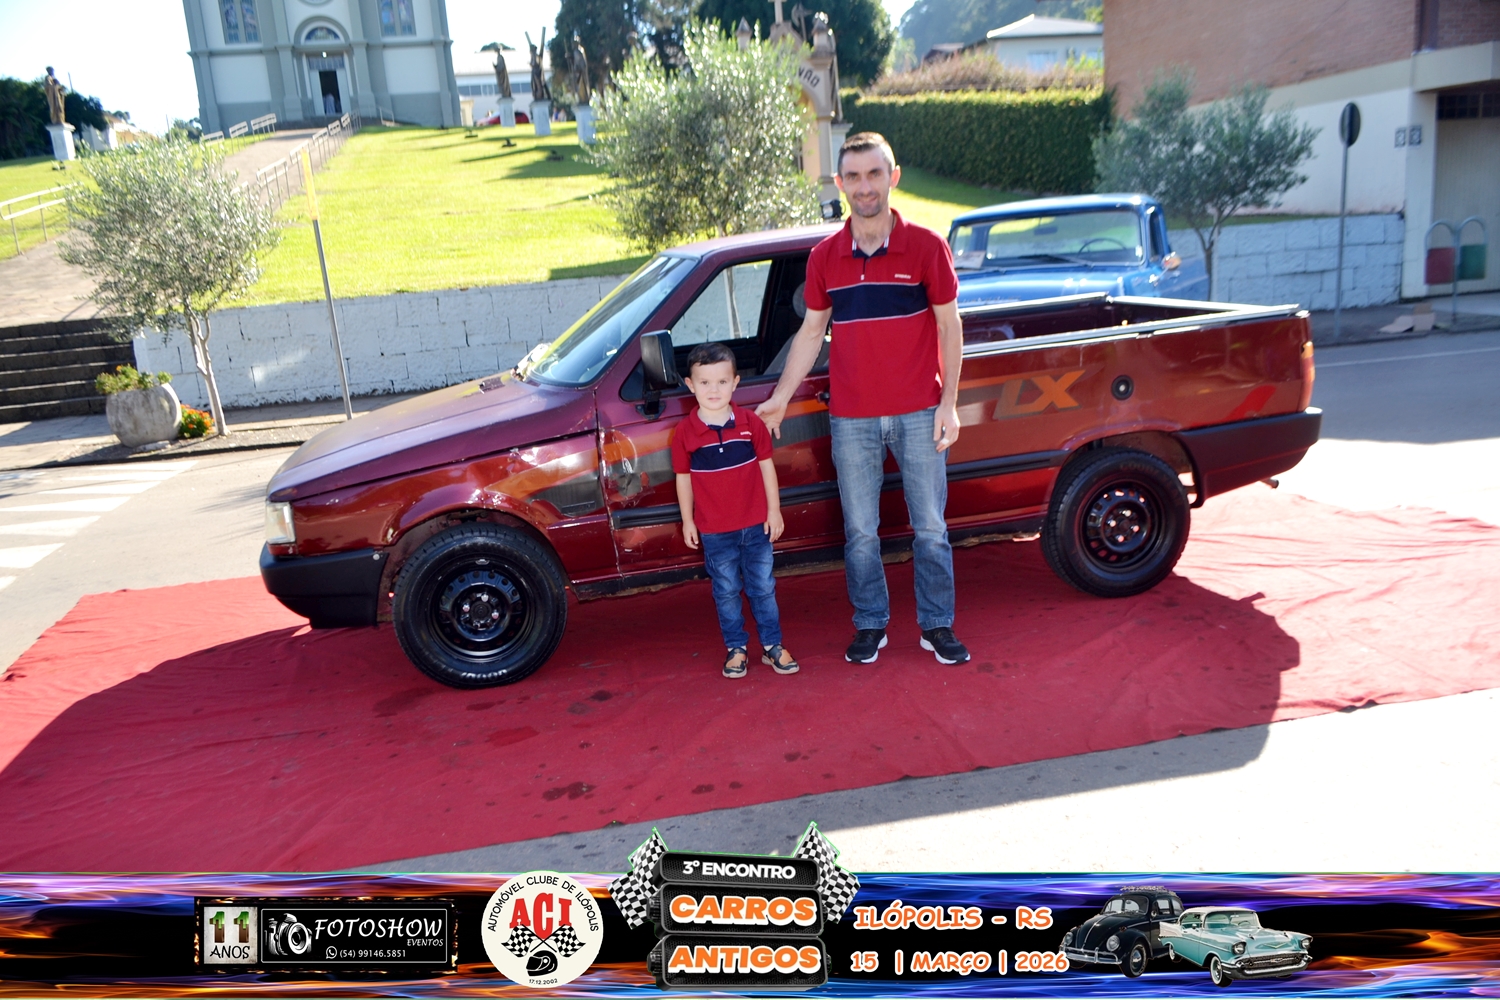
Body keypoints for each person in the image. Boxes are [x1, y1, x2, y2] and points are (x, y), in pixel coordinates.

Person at [756, 131, 970, 666]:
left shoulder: (926, 247)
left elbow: (950, 326)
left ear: (893, 177)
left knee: (931, 528)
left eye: (874, 174)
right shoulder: (825, 257)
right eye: (853, 176)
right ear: (840, 183)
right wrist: (780, 398)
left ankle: (937, 625)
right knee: (859, 533)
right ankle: (870, 624)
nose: (865, 186)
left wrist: (948, 403)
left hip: (920, 410)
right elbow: (811, 332)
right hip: (851, 418)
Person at [673, 342, 799, 678]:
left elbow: (767, 467)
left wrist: (774, 511)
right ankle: (736, 648)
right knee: (726, 590)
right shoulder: (685, 433)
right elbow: (683, 479)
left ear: (735, 382)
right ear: (690, 385)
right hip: (714, 532)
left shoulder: (750, 423)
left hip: (756, 526)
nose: (713, 390)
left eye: (722, 381)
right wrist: (687, 520)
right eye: (704, 382)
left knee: (763, 587)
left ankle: (772, 645)